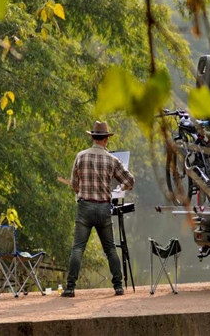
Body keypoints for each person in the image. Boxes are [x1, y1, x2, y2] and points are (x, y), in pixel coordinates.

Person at [61, 121, 135, 297]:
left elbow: (74, 184)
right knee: (110, 248)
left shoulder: (80, 156)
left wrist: (81, 190)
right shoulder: (112, 159)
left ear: (93, 137)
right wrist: (121, 188)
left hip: (85, 208)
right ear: (106, 140)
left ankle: (70, 287)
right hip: (103, 209)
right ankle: (118, 287)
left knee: (78, 248)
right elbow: (130, 181)